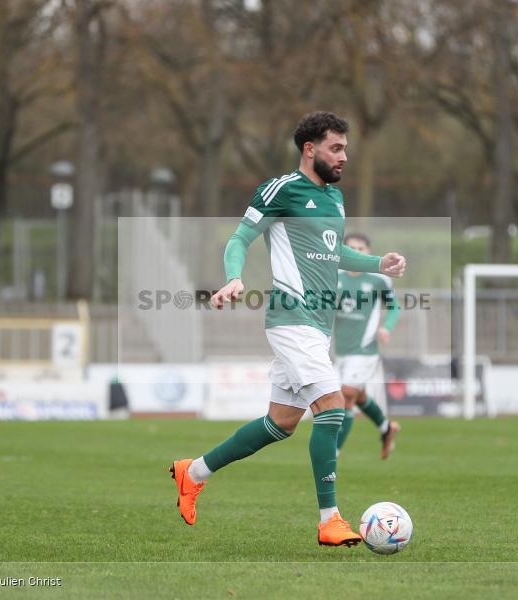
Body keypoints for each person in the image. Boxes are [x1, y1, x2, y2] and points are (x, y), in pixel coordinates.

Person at [168, 111, 406, 547]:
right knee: (333, 408)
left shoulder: (334, 200)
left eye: (346, 148)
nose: (344, 156)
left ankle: (193, 471)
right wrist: (234, 276)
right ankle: (329, 519)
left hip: (318, 325)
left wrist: (378, 264)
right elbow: (240, 238)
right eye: (336, 148)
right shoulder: (281, 189)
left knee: (281, 422)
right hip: (290, 318)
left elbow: (335, 257)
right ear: (309, 149)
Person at [333, 233, 401, 459]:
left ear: (369, 252)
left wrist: (387, 327)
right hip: (340, 351)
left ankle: (332, 453)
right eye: (351, 248)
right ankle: (386, 428)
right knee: (358, 396)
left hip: (365, 350)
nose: (356, 253)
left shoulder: (378, 279)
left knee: (345, 397)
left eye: (361, 249)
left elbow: (394, 306)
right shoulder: (336, 277)